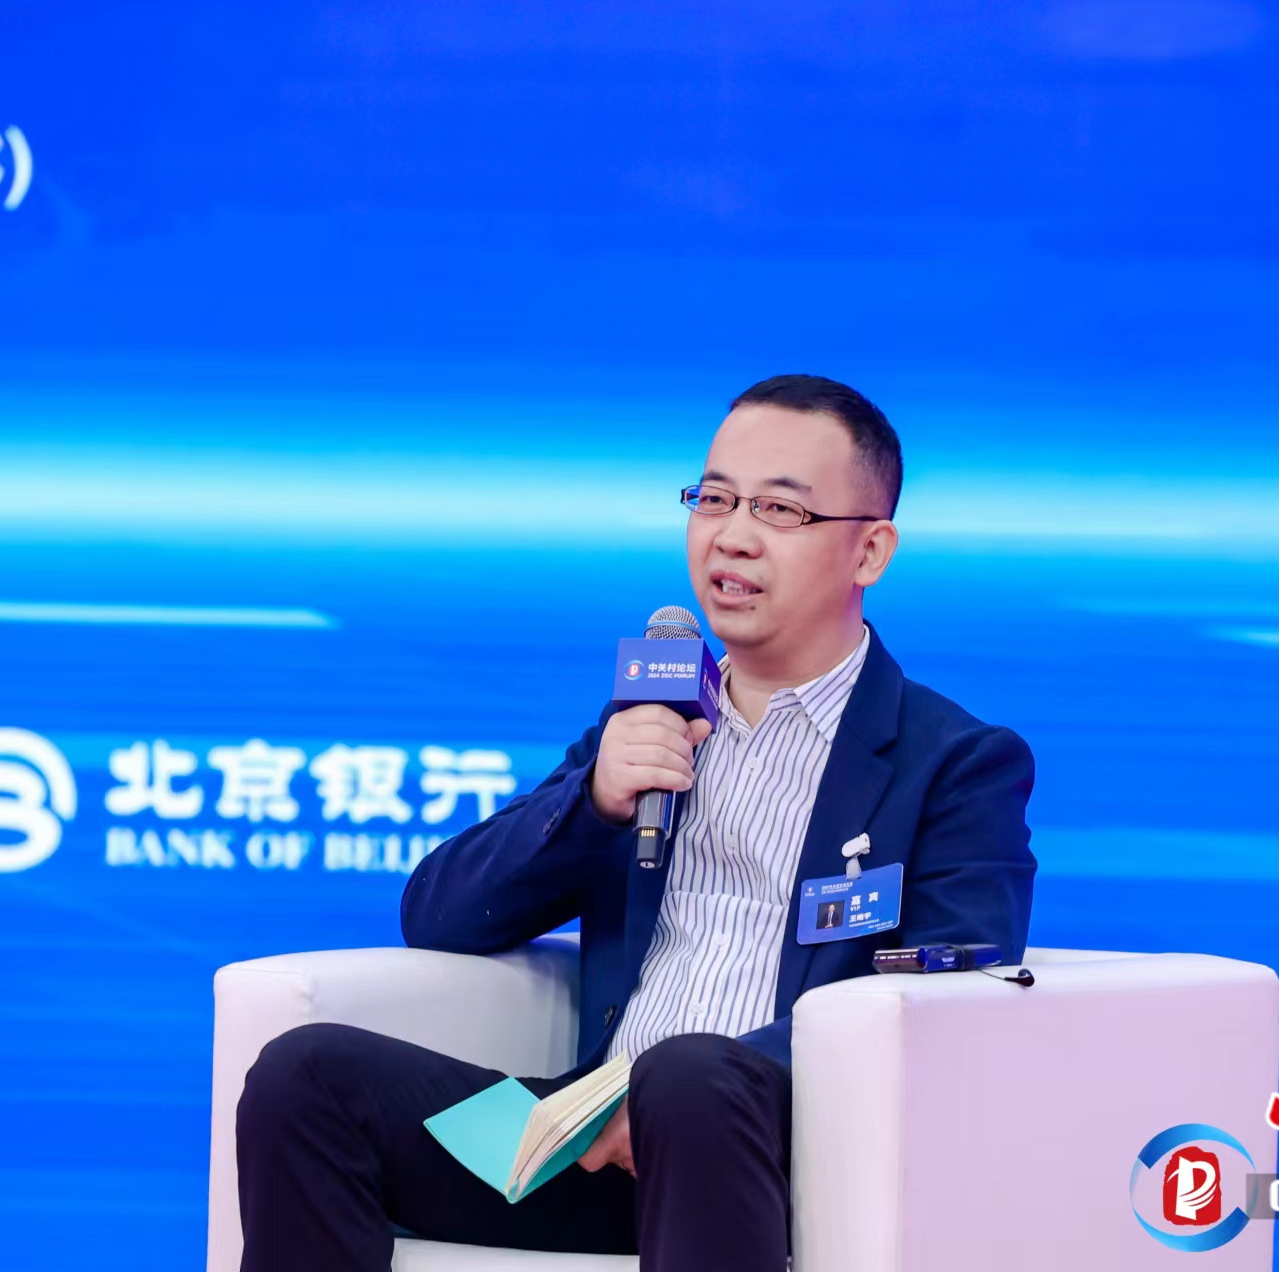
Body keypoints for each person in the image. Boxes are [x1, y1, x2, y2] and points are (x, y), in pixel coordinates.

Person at [236, 375, 1037, 1271]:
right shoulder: (650, 722)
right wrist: (594, 802)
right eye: (715, 499)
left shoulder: (954, 764)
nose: (732, 535)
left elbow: (949, 1003)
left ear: (870, 551)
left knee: (688, 1074)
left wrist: (668, 1088)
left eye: (779, 509)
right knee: (308, 1078)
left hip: (790, 1154)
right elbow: (441, 913)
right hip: (586, 1144)